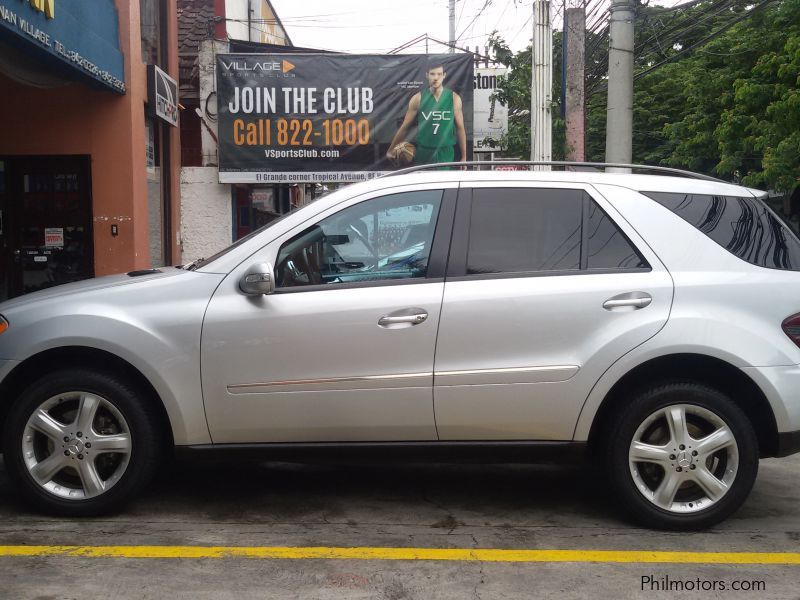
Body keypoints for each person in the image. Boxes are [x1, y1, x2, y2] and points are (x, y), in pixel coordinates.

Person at [387, 61, 467, 165]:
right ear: (427, 75)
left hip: (446, 153)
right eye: (432, 74)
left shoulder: (454, 98)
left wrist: (464, 157)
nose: (435, 78)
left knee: (444, 181)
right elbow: (405, 127)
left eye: (439, 74)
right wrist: (390, 149)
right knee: (423, 181)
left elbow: (460, 128)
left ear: (444, 75)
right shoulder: (417, 98)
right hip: (423, 153)